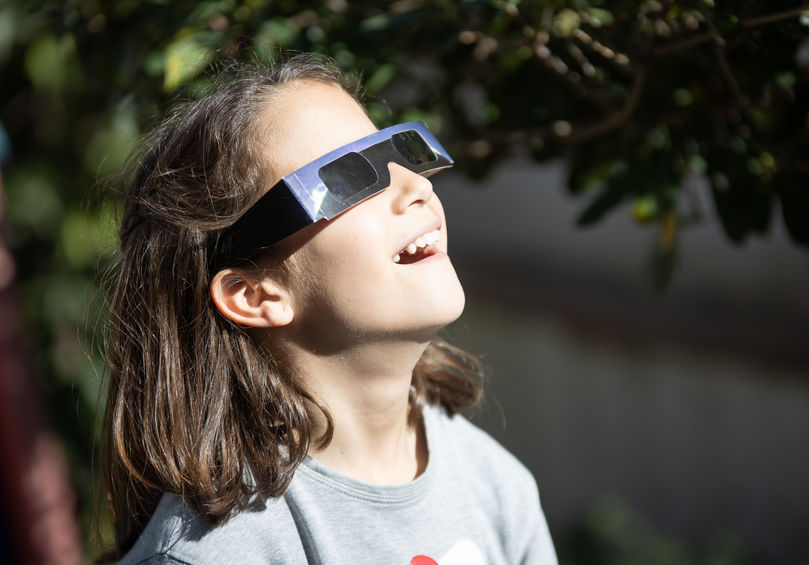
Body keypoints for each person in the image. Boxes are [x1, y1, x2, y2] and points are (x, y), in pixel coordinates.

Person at [100, 54, 557, 565]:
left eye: (397, 155)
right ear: (256, 293)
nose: (417, 186)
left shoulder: (497, 486)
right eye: (347, 179)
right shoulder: (216, 555)